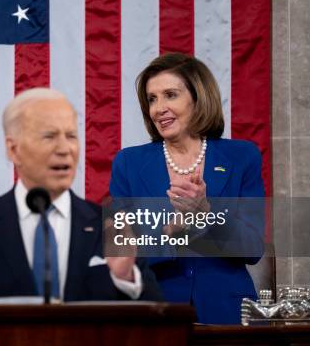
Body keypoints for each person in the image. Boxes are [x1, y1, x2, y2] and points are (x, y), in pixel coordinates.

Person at [0, 88, 162, 303]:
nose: (65, 149)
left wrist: (127, 278)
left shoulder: (109, 228)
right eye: (49, 136)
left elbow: (160, 322)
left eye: (71, 136)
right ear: (14, 150)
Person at [109, 53, 264, 324]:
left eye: (170, 95)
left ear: (198, 97)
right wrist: (169, 233)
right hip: (155, 313)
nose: (159, 108)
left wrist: (207, 212)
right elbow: (120, 252)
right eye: (152, 99)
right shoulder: (128, 163)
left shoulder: (242, 156)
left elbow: (253, 248)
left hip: (228, 314)